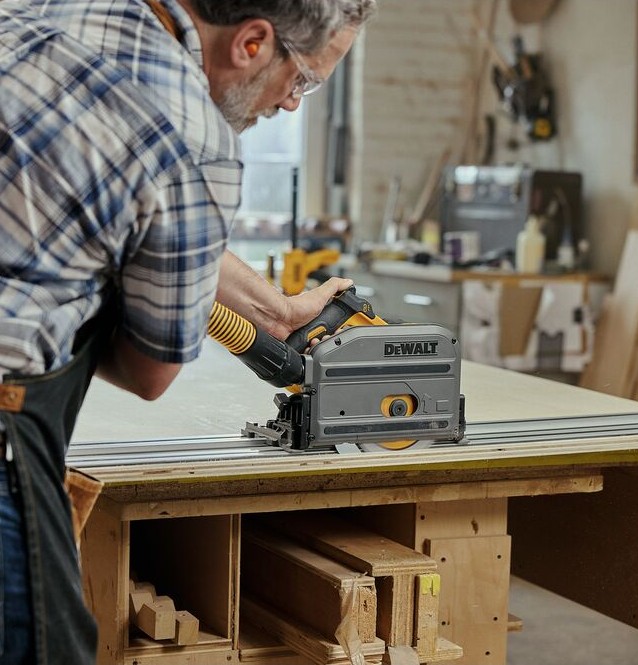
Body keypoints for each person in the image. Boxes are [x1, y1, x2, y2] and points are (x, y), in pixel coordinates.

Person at [0, 0, 377, 662]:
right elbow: (148, 370)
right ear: (253, 43)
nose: (293, 105)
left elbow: (123, 206)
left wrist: (272, 310)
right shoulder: (195, 139)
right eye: (304, 80)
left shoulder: (46, 11)